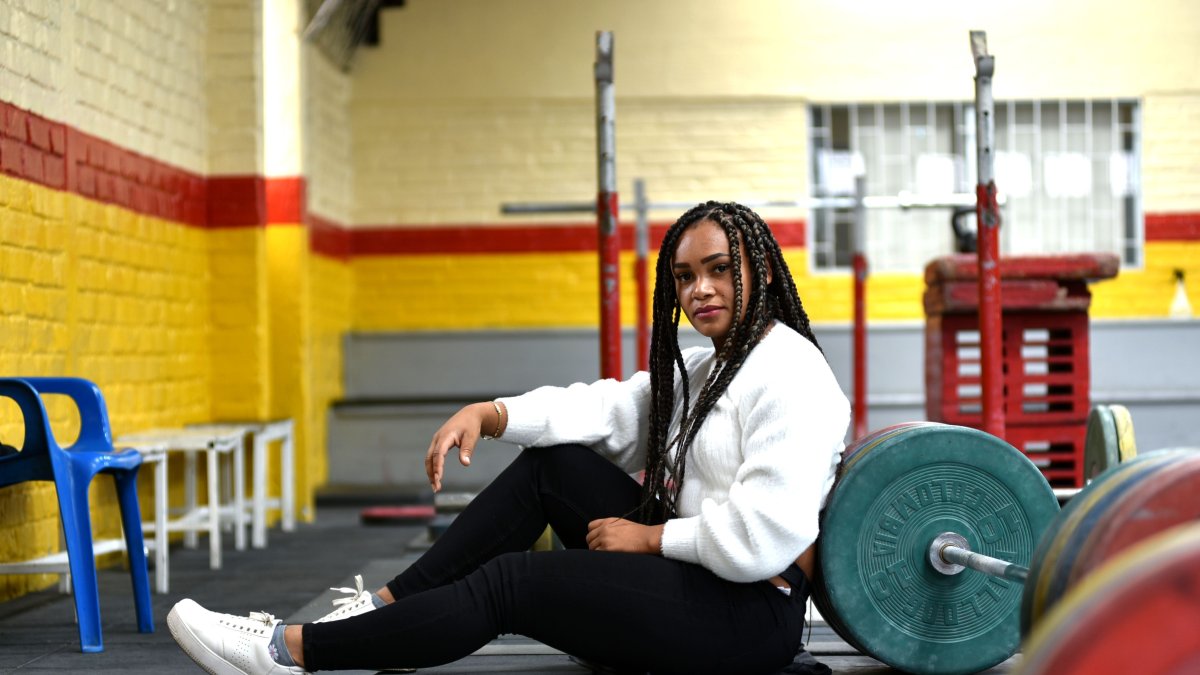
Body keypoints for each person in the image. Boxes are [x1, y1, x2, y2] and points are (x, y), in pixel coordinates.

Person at [167, 201, 850, 675]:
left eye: (719, 269)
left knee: (510, 584)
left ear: (759, 265)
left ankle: (289, 652)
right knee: (552, 466)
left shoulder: (790, 373)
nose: (700, 289)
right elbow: (612, 408)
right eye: (684, 276)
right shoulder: (711, 365)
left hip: (748, 612)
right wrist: (491, 413)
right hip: (701, 574)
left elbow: (767, 532)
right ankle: (390, 612)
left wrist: (647, 538)